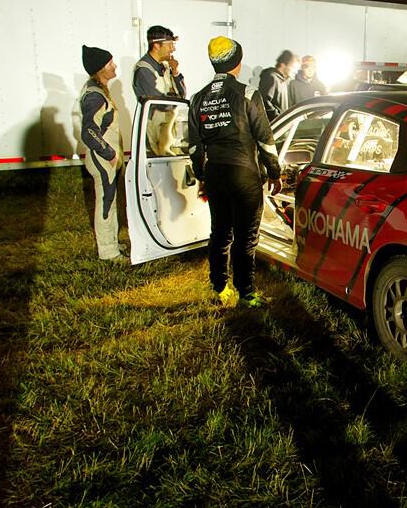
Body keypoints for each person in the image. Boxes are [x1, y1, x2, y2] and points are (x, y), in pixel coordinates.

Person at [189, 36, 282, 308]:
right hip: (244, 175)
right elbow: (265, 139)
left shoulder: (198, 98)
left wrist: (202, 176)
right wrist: (274, 172)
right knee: (245, 237)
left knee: (219, 232)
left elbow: (194, 147)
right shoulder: (248, 94)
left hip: (215, 173)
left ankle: (220, 288)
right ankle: (247, 292)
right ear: (237, 63)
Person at [79, 45, 126, 263]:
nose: (114, 66)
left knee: (110, 201)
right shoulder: (95, 96)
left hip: (106, 158)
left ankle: (112, 244)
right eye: (110, 63)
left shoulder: (98, 91)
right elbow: (89, 131)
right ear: (100, 69)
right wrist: (109, 153)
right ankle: (108, 253)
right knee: (106, 204)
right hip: (102, 159)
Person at [133, 25, 186, 154]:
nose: (173, 49)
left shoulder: (166, 65)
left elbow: (183, 95)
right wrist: (175, 99)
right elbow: (160, 104)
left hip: (167, 125)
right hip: (154, 126)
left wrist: (175, 73)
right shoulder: (144, 69)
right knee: (157, 164)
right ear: (157, 45)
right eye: (169, 45)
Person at [259, 49, 298, 122]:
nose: (295, 71)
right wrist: (278, 118)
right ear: (283, 65)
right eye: (293, 67)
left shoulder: (284, 81)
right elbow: (264, 101)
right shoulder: (271, 77)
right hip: (273, 126)